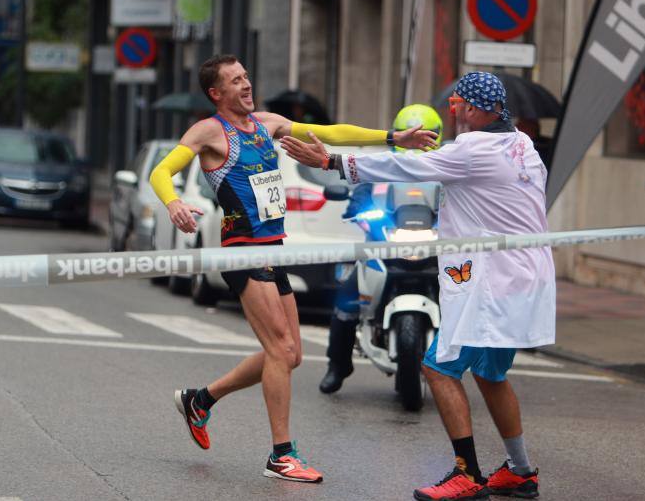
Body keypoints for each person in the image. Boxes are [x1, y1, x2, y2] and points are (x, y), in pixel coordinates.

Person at [148, 54, 437, 484]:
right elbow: (162, 170)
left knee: (290, 355)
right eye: (235, 81)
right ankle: (281, 454)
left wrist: (394, 137)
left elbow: (332, 133)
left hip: (273, 249)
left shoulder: (267, 123)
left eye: (246, 76)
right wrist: (173, 203)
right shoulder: (209, 131)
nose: (246, 85)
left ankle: (201, 400)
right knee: (281, 351)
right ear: (216, 93)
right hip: (242, 251)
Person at [281, 71, 555, 500]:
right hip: (526, 278)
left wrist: (334, 161)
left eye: (458, 103)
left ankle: (467, 473)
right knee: (490, 373)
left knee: (439, 367)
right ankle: (520, 471)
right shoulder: (522, 145)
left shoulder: (473, 149)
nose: (453, 109)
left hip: (490, 282)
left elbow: (407, 166)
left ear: (476, 109)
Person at [320, 104, 444, 394]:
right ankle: (337, 365)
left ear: (437, 135)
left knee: (466, 295)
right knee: (347, 299)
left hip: (435, 248)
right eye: (411, 132)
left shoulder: (445, 166)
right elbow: (360, 193)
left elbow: (464, 201)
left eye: (426, 133)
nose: (418, 137)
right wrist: (358, 210)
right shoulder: (381, 164)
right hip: (384, 246)